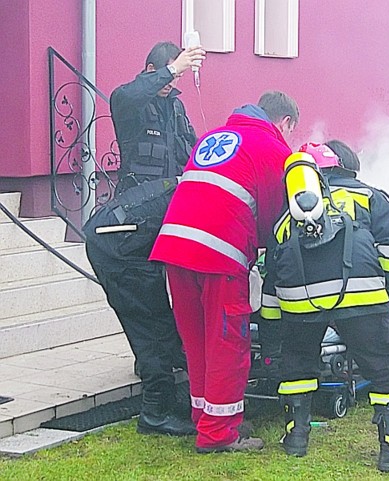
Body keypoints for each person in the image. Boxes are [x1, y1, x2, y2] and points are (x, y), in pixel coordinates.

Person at [260, 141, 389, 472]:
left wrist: (271, 329)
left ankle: (295, 437)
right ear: (349, 167)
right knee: (384, 368)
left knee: (297, 367)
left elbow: (272, 272)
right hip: (362, 296)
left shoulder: (288, 213)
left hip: (299, 303)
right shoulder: (370, 197)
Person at [149, 91, 299, 452]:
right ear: (285, 123)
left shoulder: (212, 137)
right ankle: (218, 434)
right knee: (227, 343)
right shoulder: (274, 148)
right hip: (220, 252)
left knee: (197, 339)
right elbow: (274, 218)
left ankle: (205, 417)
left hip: (175, 246)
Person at [83, 178, 194, 436]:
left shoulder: (192, 185)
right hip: (117, 245)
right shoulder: (201, 198)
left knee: (160, 325)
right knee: (152, 327)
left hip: (121, 234)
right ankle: (155, 413)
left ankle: (167, 402)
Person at [110, 41, 205, 192]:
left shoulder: (177, 107)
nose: (172, 83)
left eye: (177, 76)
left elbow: (193, 146)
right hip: (137, 201)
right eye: (171, 75)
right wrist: (171, 70)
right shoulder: (127, 99)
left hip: (172, 197)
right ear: (151, 70)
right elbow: (130, 95)